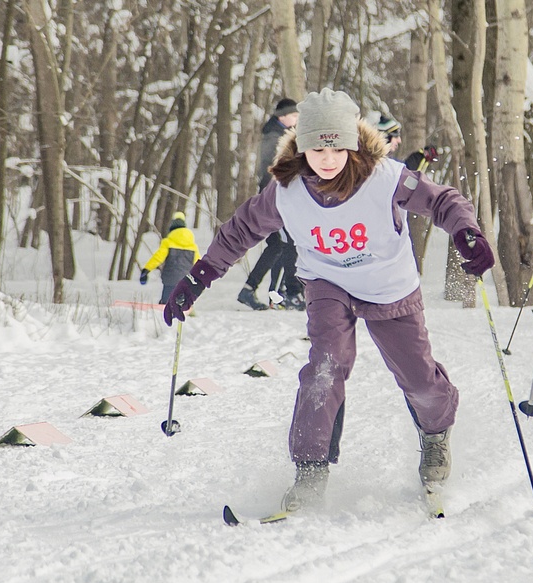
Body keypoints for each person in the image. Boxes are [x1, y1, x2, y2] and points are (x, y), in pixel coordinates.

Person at [164, 88, 494, 511]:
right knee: (324, 367)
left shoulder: (386, 176)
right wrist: (199, 277)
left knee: (417, 377)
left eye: (336, 145)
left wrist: (467, 233)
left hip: (388, 286)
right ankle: (310, 471)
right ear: (303, 145)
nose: (327, 155)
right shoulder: (286, 190)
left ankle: (435, 435)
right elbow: (240, 231)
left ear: (351, 142)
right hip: (327, 284)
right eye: (317, 145)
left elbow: (443, 201)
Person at [236, 98, 304, 311]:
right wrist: (276, 196)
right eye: (293, 115)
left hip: (276, 197)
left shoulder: (278, 134)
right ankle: (291, 294)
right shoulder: (275, 137)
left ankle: (249, 289)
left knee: (277, 245)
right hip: (275, 200)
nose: (296, 119)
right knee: (289, 243)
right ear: (281, 116)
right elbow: (269, 170)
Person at [139, 212, 199, 305]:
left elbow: (158, 258)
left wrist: (146, 270)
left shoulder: (168, 242)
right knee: (183, 305)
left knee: (166, 304)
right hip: (186, 281)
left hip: (170, 279)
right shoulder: (193, 246)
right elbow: (198, 264)